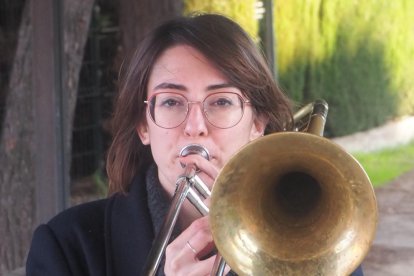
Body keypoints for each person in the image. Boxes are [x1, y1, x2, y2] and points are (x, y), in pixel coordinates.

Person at [26, 13, 364, 276]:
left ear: (257, 123)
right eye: (172, 102)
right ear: (144, 126)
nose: (195, 127)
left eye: (221, 102)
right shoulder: (65, 248)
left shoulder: (317, 239)